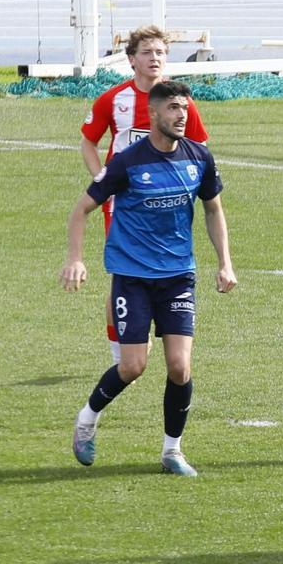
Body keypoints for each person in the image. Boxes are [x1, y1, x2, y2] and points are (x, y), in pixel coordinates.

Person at [61, 80, 236, 477]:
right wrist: (76, 259)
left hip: (177, 277)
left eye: (185, 108)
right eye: (173, 108)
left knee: (179, 367)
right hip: (133, 278)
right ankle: (87, 419)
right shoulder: (127, 162)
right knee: (132, 367)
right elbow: (81, 210)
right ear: (154, 114)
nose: (182, 115)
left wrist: (224, 262)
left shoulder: (199, 157)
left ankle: (172, 451)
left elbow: (213, 210)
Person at [79, 25, 209, 365]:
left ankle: (160, 333)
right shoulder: (113, 99)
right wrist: (103, 182)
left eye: (161, 53)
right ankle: (120, 351)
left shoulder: (181, 104)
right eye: (148, 53)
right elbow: (88, 142)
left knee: (167, 266)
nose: (155, 59)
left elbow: (200, 147)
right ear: (132, 59)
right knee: (123, 273)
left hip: (166, 201)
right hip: (123, 204)